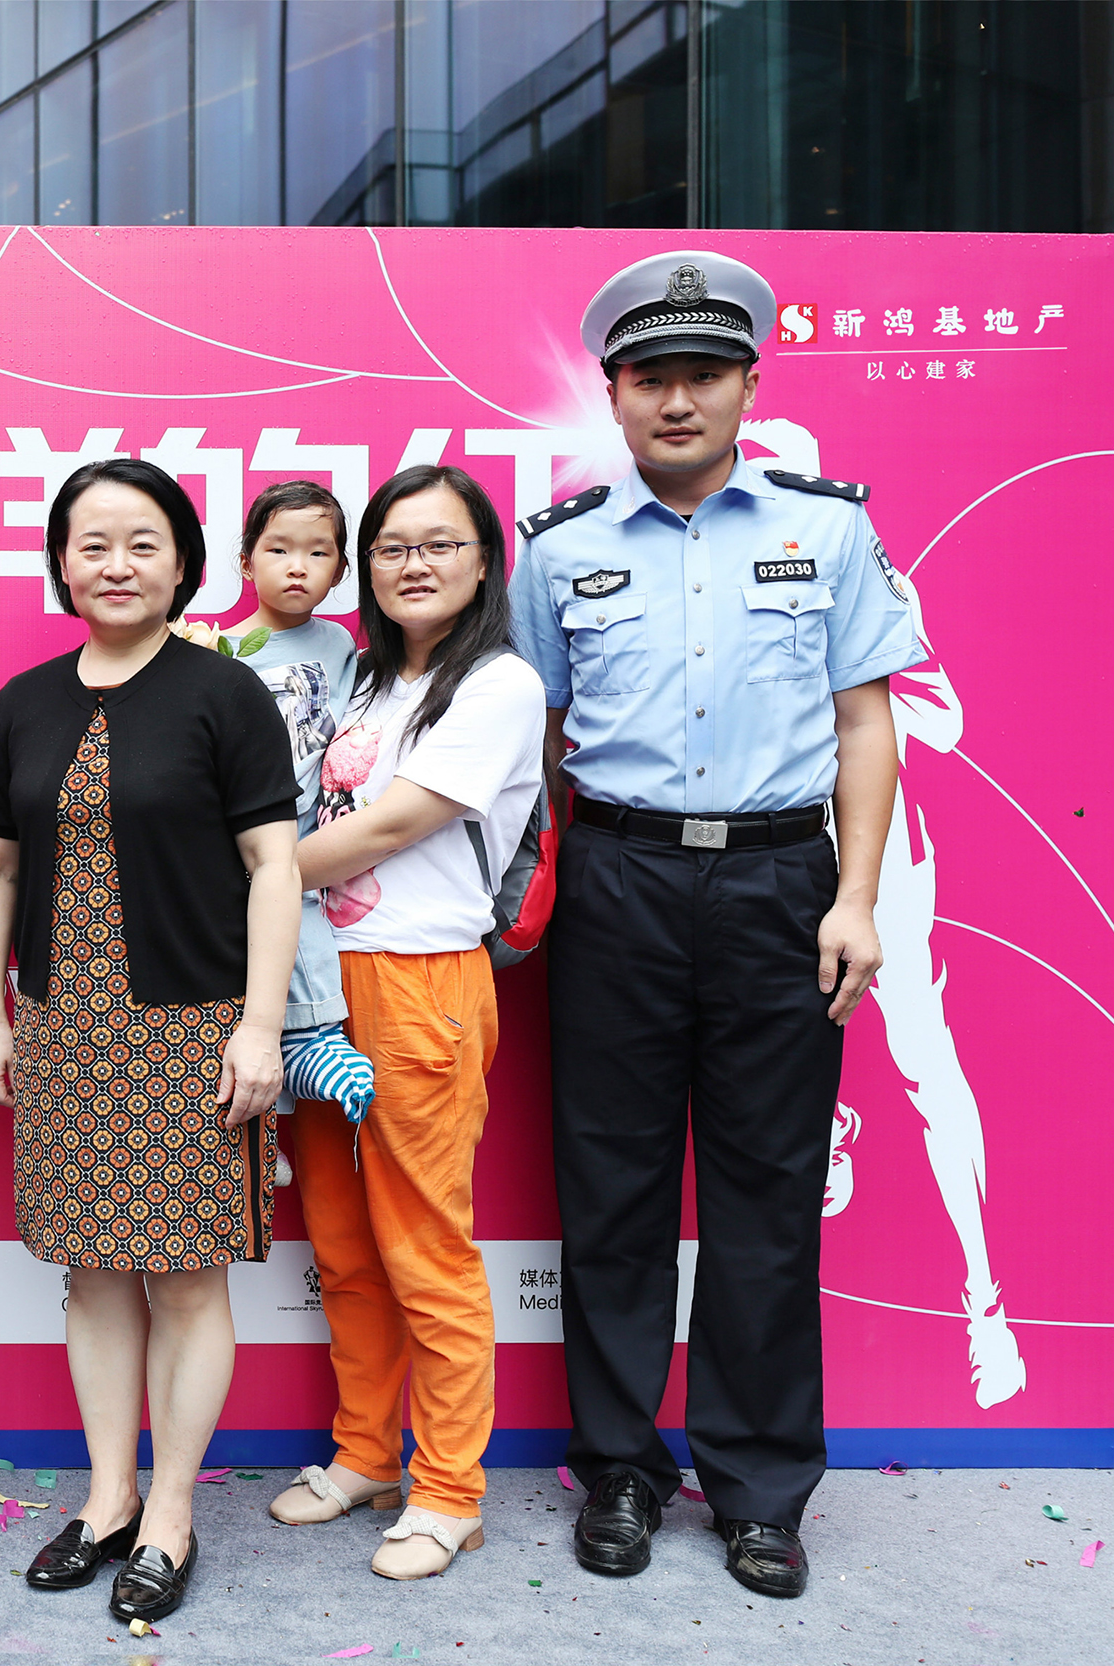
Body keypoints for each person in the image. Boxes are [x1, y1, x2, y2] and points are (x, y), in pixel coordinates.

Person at [509, 251, 920, 1599]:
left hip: (778, 886)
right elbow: (539, 740)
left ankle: (758, 1487)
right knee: (611, 1188)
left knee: (766, 1196)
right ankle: (620, 1469)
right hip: (617, 882)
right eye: (650, 378)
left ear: (747, 386)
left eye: (703, 374)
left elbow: (866, 721)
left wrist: (854, 898)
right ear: (613, 396)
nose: (676, 400)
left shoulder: (828, 530)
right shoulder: (560, 548)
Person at [0, 458, 300, 1625]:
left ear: (184, 564)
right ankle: (106, 1498)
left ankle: (169, 1512)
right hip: (65, 1027)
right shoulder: (24, 701)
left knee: (187, 1278)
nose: (116, 565)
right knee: (93, 1270)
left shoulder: (224, 694)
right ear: (61, 562)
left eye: (142, 543)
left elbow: (272, 867)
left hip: (192, 1028)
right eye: (92, 543)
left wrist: (260, 1025)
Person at [277, 465, 546, 1580]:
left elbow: (393, 824)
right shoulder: (362, 679)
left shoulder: (499, 684)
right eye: (391, 546)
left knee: (424, 1250)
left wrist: (241, 882)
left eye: (439, 544)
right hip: (315, 981)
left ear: (484, 563)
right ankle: (365, 1456)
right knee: (343, 1250)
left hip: (420, 981)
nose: (414, 564)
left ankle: (448, 1491)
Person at [222, 481, 378, 1141]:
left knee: (300, 910)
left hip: (306, 827)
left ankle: (310, 1043)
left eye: (318, 553)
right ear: (246, 561)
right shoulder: (216, 649)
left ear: (340, 571)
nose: (298, 566)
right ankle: (263, 1120)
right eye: (279, 549)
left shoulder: (340, 646)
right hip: (233, 830)